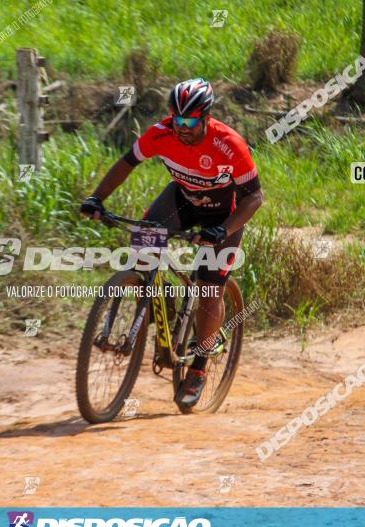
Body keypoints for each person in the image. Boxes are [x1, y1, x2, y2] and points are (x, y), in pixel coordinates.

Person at [80, 78, 264, 407]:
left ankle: (199, 367)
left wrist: (221, 231)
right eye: (177, 120)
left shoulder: (228, 144)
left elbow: (255, 198)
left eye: (190, 121)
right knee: (143, 246)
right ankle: (153, 302)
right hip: (182, 199)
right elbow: (126, 163)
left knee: (209, 288)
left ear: (206, 117)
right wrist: (96, 199)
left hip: (225, 213)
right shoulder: (160, 133)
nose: (181, 128)